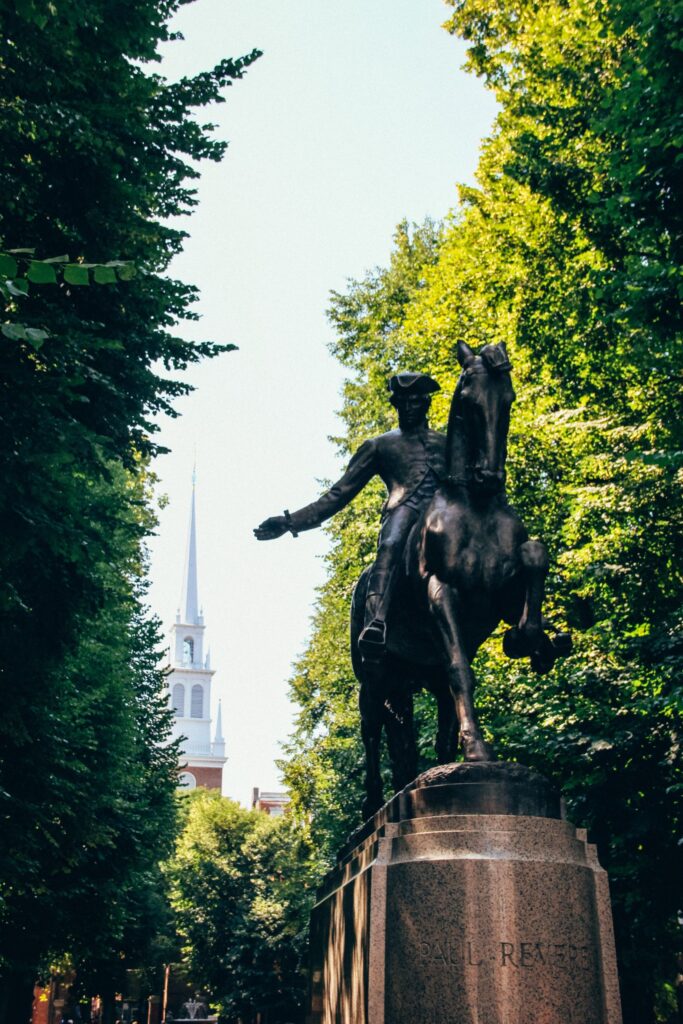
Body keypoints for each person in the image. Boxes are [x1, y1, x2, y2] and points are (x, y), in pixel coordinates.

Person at [255, 372, 446, 655]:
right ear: (395, 404)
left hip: (443, 515)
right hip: (405, 510)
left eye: (415, 401)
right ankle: (375, 620)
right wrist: (289, 521)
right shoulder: (380, 446)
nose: (409, 407)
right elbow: (338, 494)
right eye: (403, 401)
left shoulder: (447, 443)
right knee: (391, 545)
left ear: (427, 403)